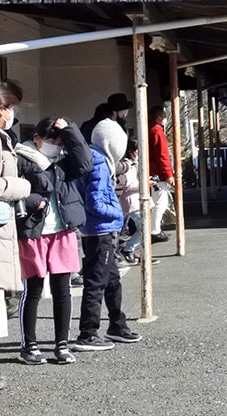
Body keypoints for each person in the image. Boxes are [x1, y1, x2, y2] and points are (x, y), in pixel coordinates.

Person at [15, 117, 92, 365]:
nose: (55, 146)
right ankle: (30, 346)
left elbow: (85, 163)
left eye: (58, 142)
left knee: (63, 290)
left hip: (63, 230)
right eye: (50, 141)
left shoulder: (64, 160)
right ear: (36, 138)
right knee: (33, 290)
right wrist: (32, 201)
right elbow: (13, 191)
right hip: (33, 230)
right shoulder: (21, 157)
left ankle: (62, 345)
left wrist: (70, 130)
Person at [72, 119, 141, 351]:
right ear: (112, 144)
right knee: (96, 281)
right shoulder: (100, 163)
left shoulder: (94, 158)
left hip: (97, 230)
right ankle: (88, 333)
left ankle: (117, 325)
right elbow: (95, 202)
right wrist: (117, 214)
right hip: (101, 230)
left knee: (111, 280)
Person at [0, 81, 32, 388]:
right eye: (9, 107)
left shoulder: (4, 138)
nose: (12, 113)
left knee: (6, 300)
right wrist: (21, 187)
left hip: (4, 229)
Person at [115, 137, 146, 264]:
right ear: (132, 151)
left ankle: (129, 249)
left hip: (136, 200)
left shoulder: (134, 163)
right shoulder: (127, 165)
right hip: (131, 201)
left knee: (141, 228)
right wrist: (145, 183)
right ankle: (128, 249)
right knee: (144, 228)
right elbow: (127, 185)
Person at [148, 105, 173, 243]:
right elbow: (162, 155)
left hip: (151, 172)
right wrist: (168, 173)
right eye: (163, 116)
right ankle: (155, 230)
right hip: (158, 174)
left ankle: (154, 229)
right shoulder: (157, 131)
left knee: (156, 201)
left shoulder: (150, 129)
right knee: (160, 202)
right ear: (159, 117)